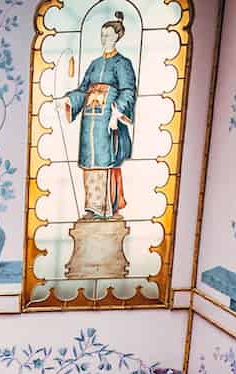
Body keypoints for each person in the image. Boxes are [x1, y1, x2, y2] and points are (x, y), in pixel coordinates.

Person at [61, 12, 136, 219]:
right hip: (89, 120)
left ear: (117, 37)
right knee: (89, 161)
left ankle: (107, 207)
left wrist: (117, 114)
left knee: (106, 160)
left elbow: (128, 91)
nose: (104, 39)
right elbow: (83, 89)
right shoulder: (94, 63)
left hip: (108, 119)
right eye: (102, 35)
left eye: (108, 35)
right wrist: (69, 100)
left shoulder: (123, 64)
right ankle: (92, 207)